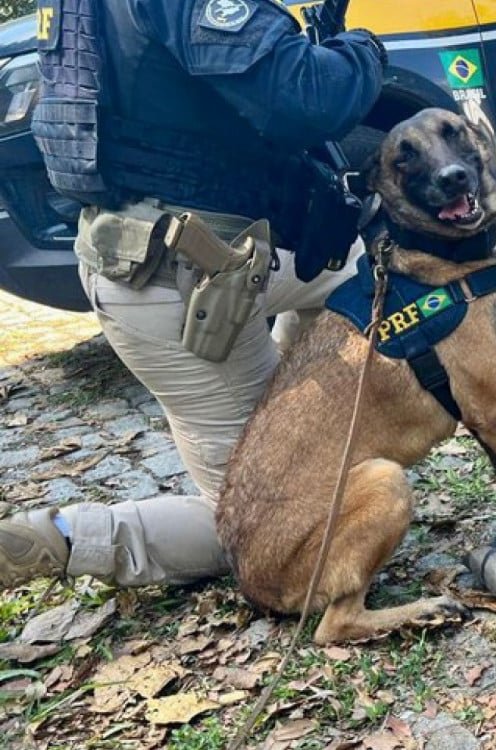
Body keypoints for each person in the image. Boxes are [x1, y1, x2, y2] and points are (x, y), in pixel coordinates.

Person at [0, 0, 387, 589]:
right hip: (182, 286)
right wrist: (363, 48)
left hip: (209, 257)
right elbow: (310, 99)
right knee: (251, 520)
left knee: (356, 272)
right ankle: (63, 537)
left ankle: (288, 401)